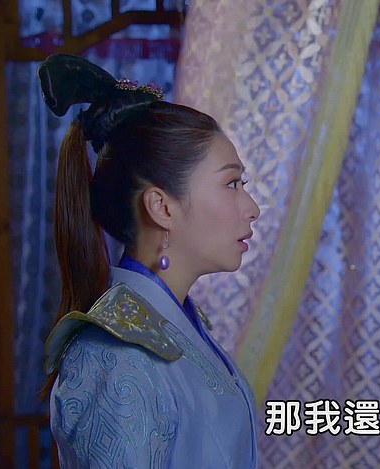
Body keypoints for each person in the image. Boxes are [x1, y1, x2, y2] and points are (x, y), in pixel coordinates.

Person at [38, 54, 260, 468]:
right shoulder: (116, 358)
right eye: (231, 183)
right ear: (161, 206)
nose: (252, 208)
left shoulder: (174, 327)